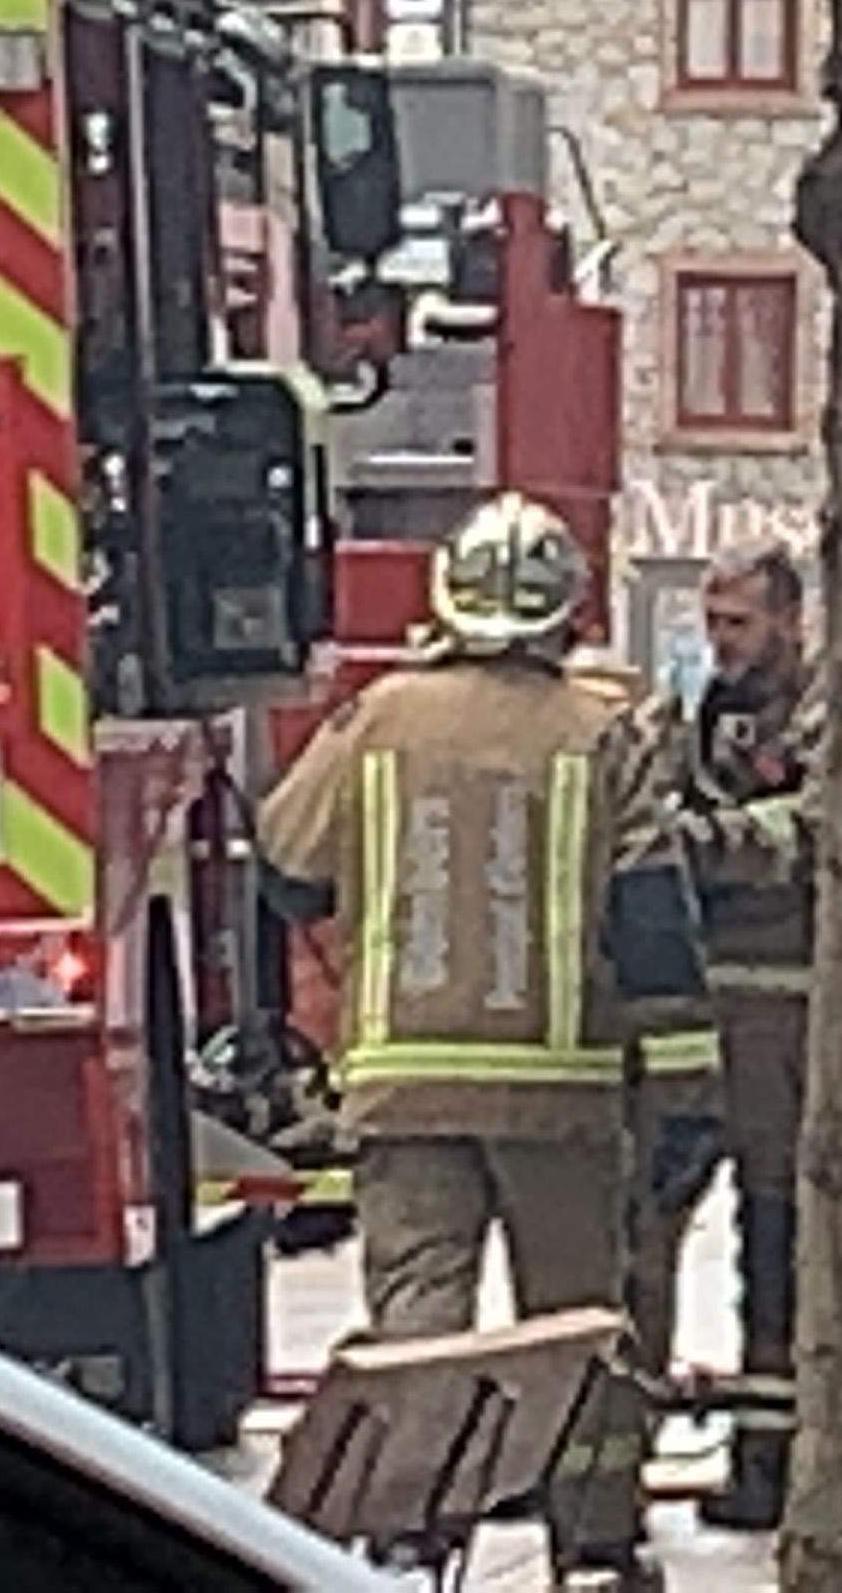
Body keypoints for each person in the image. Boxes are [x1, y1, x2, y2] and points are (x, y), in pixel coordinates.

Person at [258, 494, 650, 1576]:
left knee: (420, 1323)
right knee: (576, 1327)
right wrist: (681, 1087)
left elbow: (286, 868)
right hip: (561, 1094)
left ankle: (407, 1541)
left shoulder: (380, 717)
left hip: (406, 1088)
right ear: (566, 612)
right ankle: (597, 1543)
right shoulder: (603, 728)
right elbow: (656, 916)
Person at [637, 540, 814, 1531]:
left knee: (777, 1241)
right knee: (648, 1226)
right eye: (711, 624)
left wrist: (698, 845)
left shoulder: (826, 708)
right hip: (688, 1018)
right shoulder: (692, 711)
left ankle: (770, 1459)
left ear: (790, 619)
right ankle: (617, 1459)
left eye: (738, 623)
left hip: (786, 1022)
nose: (721, 643)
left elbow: (821, 828)